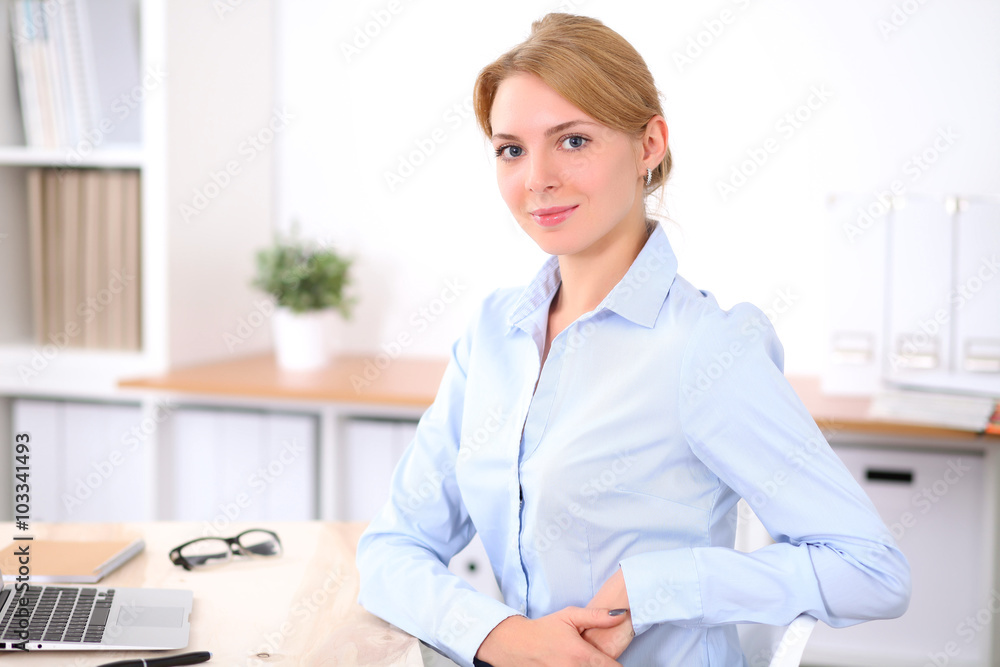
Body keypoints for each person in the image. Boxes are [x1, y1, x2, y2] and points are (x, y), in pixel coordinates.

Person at [357, 12, 910, 667]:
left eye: (573, 141)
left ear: (649, 145)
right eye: (511, 150)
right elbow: (391, 549)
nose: (537, 178)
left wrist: (660, 587)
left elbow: (872, 570)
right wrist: (503, 636)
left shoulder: (707, 348)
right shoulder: (492, 337)